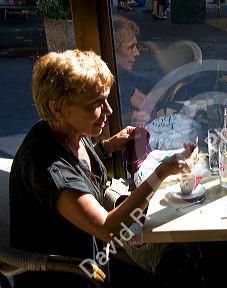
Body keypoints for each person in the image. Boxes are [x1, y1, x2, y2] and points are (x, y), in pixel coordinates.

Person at [9, 49, 198, 287]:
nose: (108, 110)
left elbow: (79, 171)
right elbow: (107, 229)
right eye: (95, 104)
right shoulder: (47, 166)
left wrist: (109, 146)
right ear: (57, 108)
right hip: (75, 275)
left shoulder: (65, 131)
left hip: (94, 256)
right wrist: (161, 172)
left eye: (106, 99)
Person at [113, 14, 155, 126]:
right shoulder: (103, 84)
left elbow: (145, 103)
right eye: (131, 47)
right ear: (113, 50)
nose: (137, 52)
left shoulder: (120, 77)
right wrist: (129, 118)